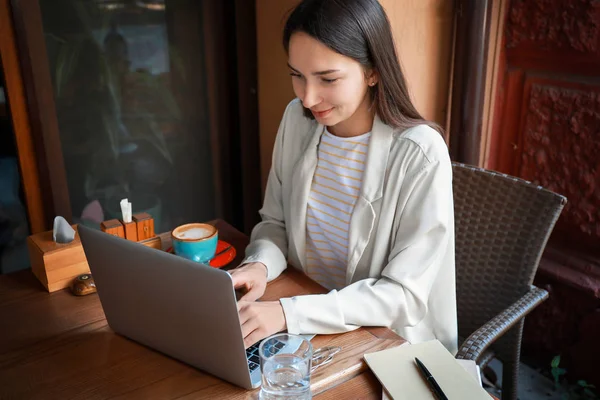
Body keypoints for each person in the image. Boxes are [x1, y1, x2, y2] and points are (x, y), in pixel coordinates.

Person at [231, 0, 457, 354]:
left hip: (384, 342)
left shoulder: (420, 154)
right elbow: (275, 223)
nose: (307, 98)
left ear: (372, 71)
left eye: (328, 78)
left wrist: (289, 314)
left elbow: (402, 296)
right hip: (301, 320)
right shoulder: (297, 120)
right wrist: (259, 264)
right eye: (297, 75)